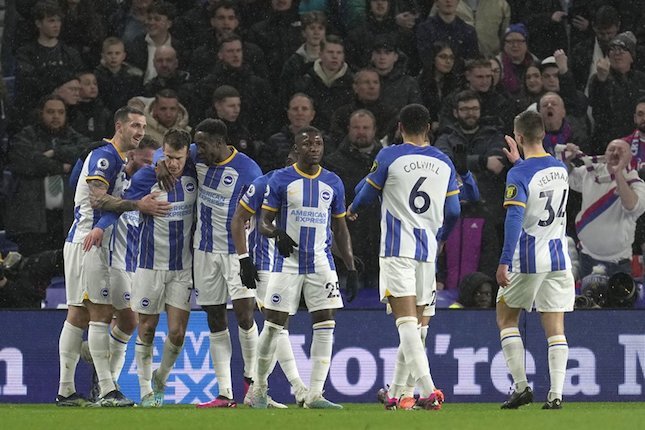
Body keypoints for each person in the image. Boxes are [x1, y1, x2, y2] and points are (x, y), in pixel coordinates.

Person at [348, 104, 461, 410]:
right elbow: (454, 211)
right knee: (418, 325)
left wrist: (354, 209)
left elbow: (367, 194)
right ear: (429, 127)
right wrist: (440, 237)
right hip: (426, 252)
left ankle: (428, 389)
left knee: (406, 322)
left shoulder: (390, 155)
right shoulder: (444, 162)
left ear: (399, 127)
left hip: (398, 250)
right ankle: (400, 394)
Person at [57, 106, 168, 407]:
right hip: (90, 242)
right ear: (119, 126)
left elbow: (75, 186)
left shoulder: (111, 159)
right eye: (134, 125)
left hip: (85, 240)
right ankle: (107, 389)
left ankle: (66, 389)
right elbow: (96, 198)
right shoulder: (106, 156)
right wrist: (137, 205)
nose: (140, 132)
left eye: (143, 127)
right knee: (100, 314)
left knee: (79, 314)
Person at [252, 126, 358, 409]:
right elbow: (263, 222)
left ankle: (314, 394)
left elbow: (340, 226)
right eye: (307, 143)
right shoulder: (281, 180)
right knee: (274, 324)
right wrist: (276, 233)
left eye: (318, 143)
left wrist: (350, 266)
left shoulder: (333, 182)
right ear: (296, 149)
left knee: (325, 324)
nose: (314, 148)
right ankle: (259, 388)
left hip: (321, 263)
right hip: (286, 263)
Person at [158, 119, 260, 409]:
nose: (196, 150)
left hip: (235, 253)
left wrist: (250, 255)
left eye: (202, 145)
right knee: (215, 319)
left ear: (220, 143)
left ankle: (253, 385)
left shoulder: (248, 169)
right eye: (196, 144)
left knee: (245, 315)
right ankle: (225, 394)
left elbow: (264, 207)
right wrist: (159, 164)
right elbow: (166, 153)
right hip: (203, 252)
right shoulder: (196, 157)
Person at [496, 110, 574, 410]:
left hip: (528, 258)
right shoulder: (559, 169)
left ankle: (521, 387)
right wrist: (520, 162)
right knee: (555, 327)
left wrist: (504, 261)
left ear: (518, 137)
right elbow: (540, 184)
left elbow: (515, 217)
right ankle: (555, 394)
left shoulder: (518, 174)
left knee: (506, 317)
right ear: (542, 134)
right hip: (558, 258)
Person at [124, 129, 197, 407]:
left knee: (177, 333)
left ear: (186, 154)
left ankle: (161, 377)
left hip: (182, 267)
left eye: (178, 157)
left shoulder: (195, 173)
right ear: (162, 152)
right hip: (149, 264)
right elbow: (125, 204)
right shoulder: (146, 177)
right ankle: (144, 391)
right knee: (147, 328)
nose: (173, 163)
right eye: (167, 156)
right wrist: (140, 205)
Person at [230, 147, 307, 408]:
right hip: (265, 265)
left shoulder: (312, 186)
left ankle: (257, 390)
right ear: (290, 162)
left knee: (278, 328)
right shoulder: (263, 184)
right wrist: (244, 259)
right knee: (277, 327)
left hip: (290, 267)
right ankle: (297, 387)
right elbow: (239, 219)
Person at [5, 95, 90, 257]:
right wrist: (61, 167)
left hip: (65, 218)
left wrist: (55, 152)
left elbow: (85, 152)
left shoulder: (74, 137)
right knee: (33, 270)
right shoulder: (26, 135)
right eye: (50, 112)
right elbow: (26, 162)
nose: (56, 116)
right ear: (41, 113)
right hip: (33, 218)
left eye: (60, 112)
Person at [569, 139, 645, 278]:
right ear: (605, 153)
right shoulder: (590, 172)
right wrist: (567, 159)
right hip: (586, 256)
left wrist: (618, 173)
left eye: (621, 151)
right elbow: (568, 177)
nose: (615, 153)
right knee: (587, 299)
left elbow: (632, 207)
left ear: (629, 157)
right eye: (611, 149)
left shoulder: (636, 183)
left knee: (617, 300)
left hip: (617, 262)